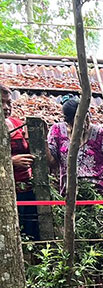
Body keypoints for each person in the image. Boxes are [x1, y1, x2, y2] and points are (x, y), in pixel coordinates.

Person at [47, 97, 103, 195]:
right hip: (69, 192)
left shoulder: (100, 134)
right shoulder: (57, 131)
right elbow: (51, 162)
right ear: (68, 121)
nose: (84, 125)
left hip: (98, 193)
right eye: (78, 121)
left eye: (86, 119)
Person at [2, 83, 40, 240]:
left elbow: (36, 152)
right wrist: (10, 162)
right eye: (1, 102)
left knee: (30, 232)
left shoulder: (17, 124)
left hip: (26, 189)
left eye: (9, 103)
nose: (6, 107)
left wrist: (32, 139)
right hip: (5, 192)